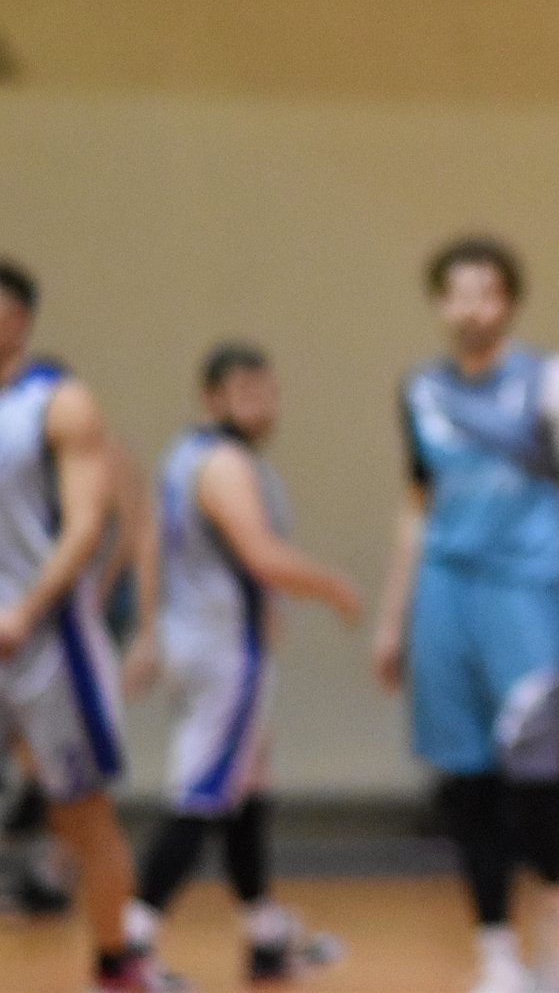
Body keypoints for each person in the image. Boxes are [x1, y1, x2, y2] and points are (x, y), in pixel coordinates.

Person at [371, 237, 559, 993]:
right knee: (465, 783)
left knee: (533, 780)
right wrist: (393, 618)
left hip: (526, 596)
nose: (471, 307)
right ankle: (496, 953)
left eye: (486, 292)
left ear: (509, 300)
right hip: (444, 596)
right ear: (439, 302)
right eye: (457, 292)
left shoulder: (554, 382)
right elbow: (417, 506)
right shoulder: (420, 390)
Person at [122, 343, 361, 981]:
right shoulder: (226, 464)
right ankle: (131, 945)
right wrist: (334, 587)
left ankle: (265, 936)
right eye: (246, 392)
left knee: (247, 788)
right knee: (199, 795)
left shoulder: (183, 455)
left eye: (268, 391)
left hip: (196, 642)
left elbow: (152, 545)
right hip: (225, 652)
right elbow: (262, 556)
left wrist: (149, 635)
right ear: (212, 397)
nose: (261, 405)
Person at [0, 258, 181, 991]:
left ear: (17, 318)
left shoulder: (59, 404)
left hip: (47, 641)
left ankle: (117, 961)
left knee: (80, 812)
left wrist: (25, 611)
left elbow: (88, 527)